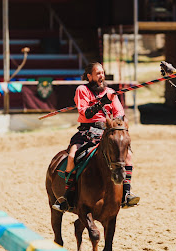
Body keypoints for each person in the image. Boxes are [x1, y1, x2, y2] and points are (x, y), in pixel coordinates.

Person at [52, 62, 140, 212]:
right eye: (98, 73)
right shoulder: (82, 90)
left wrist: (115, 121)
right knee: (72, 157)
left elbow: (119, 113)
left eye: (103, 73)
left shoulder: (111, 92)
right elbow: (85, 113)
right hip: (86, 133)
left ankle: (126, 193)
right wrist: (102, 103)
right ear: (89, 76)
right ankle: (67, 196)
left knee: (128, 156)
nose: (101, 76)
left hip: (106, 133)